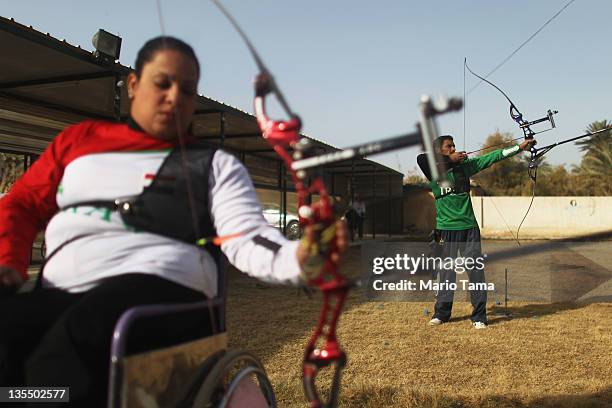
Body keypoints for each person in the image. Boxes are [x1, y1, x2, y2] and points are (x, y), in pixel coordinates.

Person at [0, 36, 347, 405]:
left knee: (70, 344)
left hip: (155, 299)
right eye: (162, 83)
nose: (174, 97)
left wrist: (301, 257)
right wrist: (7, 262)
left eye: (187, 89)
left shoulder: (215, 164)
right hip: (60, 293)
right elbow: (20, 204)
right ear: (133, 85)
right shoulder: (78, 142)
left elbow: (248, 237)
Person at [418, 135, 534, 329]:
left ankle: (479, 316)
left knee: (475, 272)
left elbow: (493, 157)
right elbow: (421, 158)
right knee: (447, 273)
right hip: (447, 229)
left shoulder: (465, 167)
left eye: (454, 145)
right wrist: (450, 160)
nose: (454, 148)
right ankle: (442, 314)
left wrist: (519, 147)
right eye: (449, 146)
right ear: (439, 151)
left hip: (469, 227)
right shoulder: (432, 170)